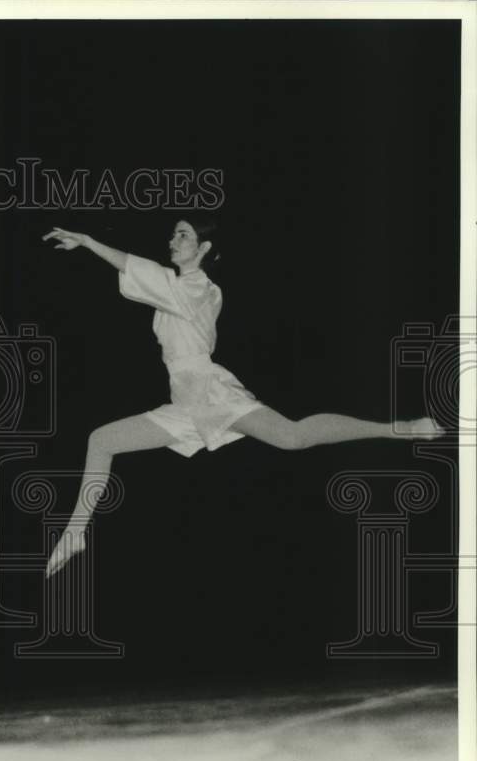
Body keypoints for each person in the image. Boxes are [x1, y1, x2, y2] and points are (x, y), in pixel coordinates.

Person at [40, 217, 444, 578]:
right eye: (174, 233)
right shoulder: (176, 288)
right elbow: (148, 282)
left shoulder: (200, 288)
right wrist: (92, 247)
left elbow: (139, 271)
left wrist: (91, 243)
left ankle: (400, 429)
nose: (173, 239)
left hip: (211, 393)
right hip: (184, 403)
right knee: (101, 440)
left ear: (204, 249)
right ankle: (76, 533)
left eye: (184, 234)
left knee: (293, 437)